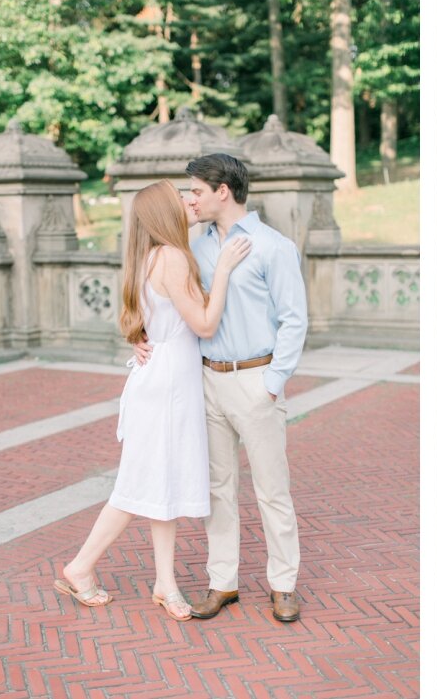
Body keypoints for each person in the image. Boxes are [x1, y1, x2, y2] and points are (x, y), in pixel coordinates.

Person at [55, 179, 251, 621]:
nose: (189, 201)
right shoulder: (175, 258)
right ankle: (80, 567)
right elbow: (202, 324)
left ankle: (165, 582)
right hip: (165, 390)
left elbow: (154, 324)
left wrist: (144, 342)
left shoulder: (149, 256)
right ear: (166, 211)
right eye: (181, 198)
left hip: (163, 381)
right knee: (135, 487)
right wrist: (221, 272)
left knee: (163, 486)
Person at [136, 153, 308, 623]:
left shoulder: (275, 247)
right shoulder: (193, 248)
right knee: (218, 488)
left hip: (257, 379)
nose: (190, 199)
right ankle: (222, 582)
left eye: (195, 190)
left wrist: (272, 384)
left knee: (273, 490)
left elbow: (295, 320)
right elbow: (171, 304)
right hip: (206, 379)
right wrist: (142, 339)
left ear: (222, 191)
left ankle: (283, 584)